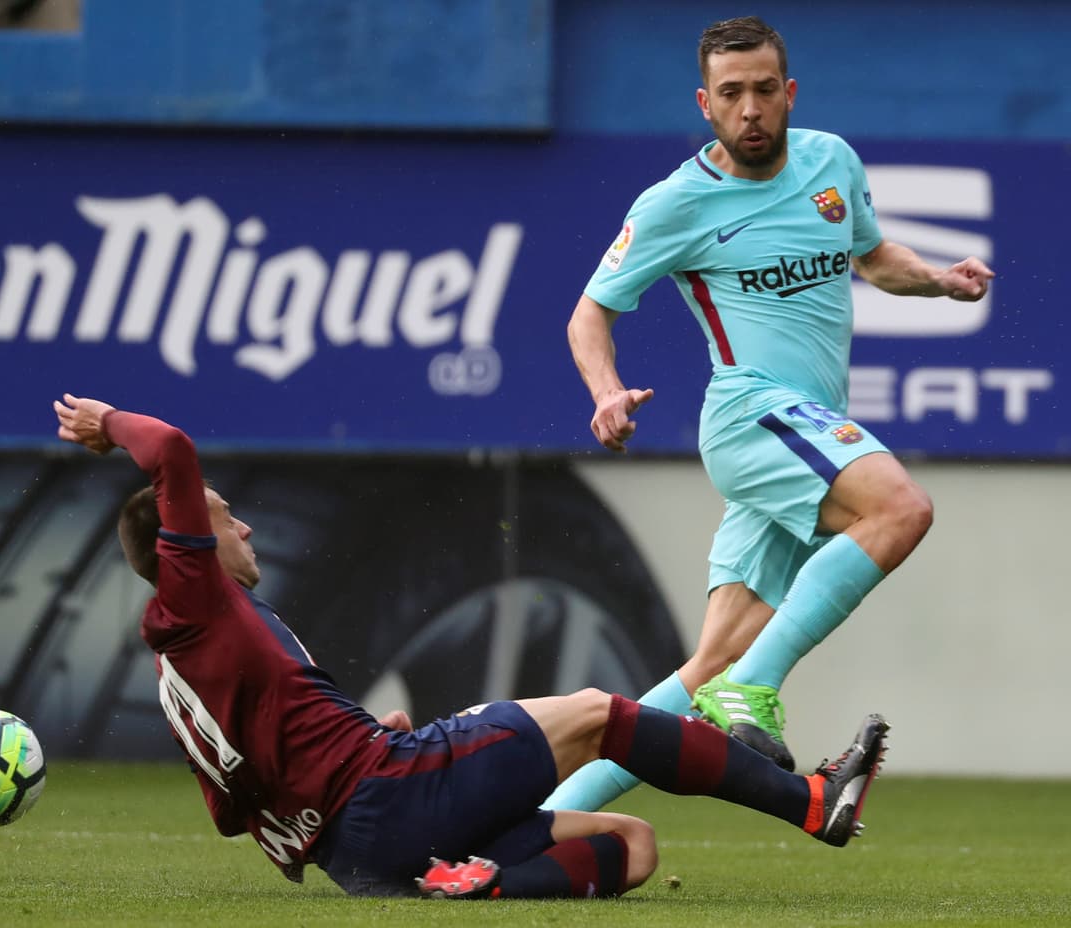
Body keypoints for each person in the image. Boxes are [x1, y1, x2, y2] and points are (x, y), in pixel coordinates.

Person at [53, 392, 890, 900]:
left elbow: (240, 811)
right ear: (184, 539)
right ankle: (811, 803)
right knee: (602, 714)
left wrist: (360, 747)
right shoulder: (192, 597)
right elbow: (170, 450)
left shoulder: (177, 665)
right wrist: (107, 423)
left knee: (631, 847)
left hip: (362, 854)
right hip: (392, 797)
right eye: (222, 516)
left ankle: (478, 883)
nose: (239, 525)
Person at [544, 15, 992, 814]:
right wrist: (604, 392)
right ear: (705, 104)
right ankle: (758, 686)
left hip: (806, 428)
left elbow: (871, 255)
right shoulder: (677, 202)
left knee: (702, 673)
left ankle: (545, 819)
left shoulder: (830, 161)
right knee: (901, 508)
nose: (748, 108)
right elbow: (589, 315)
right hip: (752, 415)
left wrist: (939, 281)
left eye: (761, 90)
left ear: (787, 94)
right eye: (730, 94)